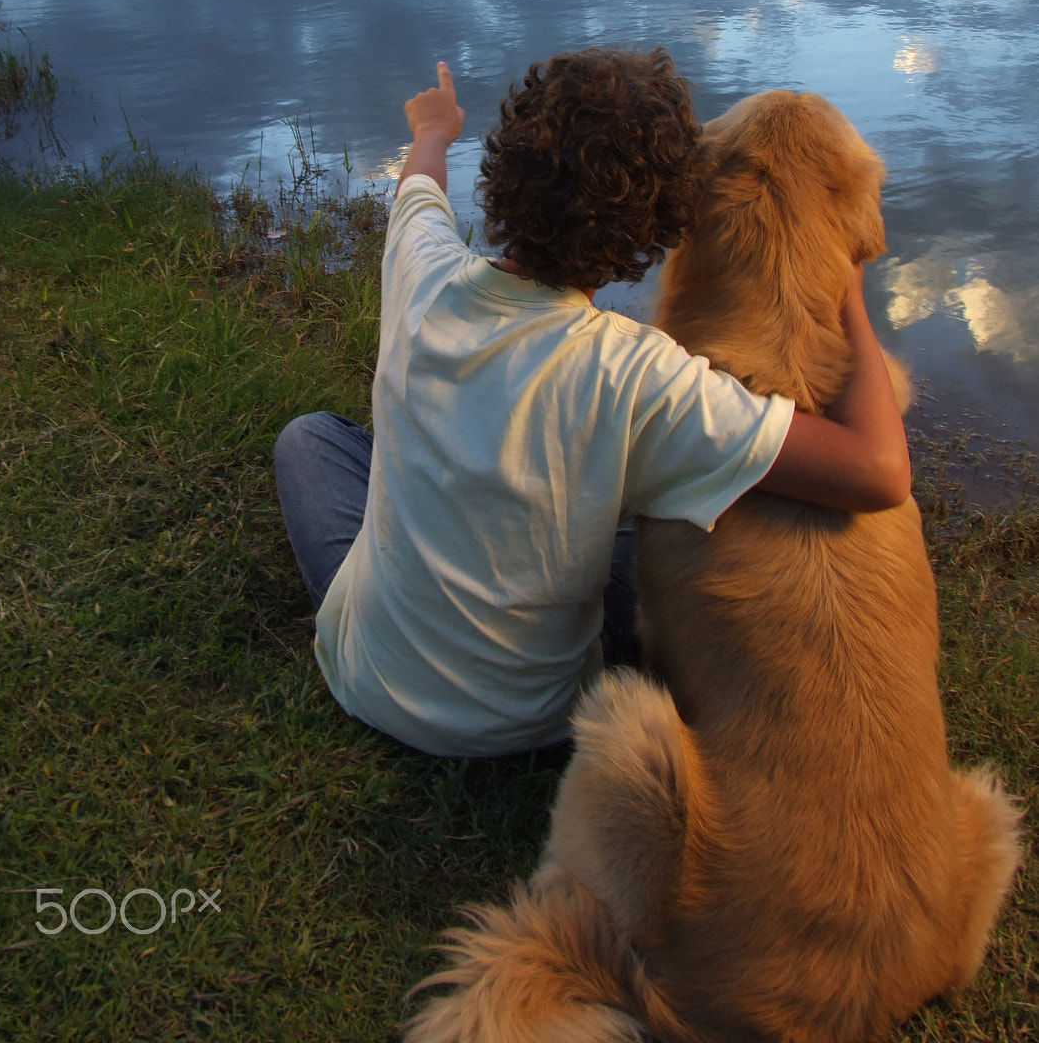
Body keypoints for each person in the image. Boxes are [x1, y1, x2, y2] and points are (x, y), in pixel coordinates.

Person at [275, 49, 909, 758]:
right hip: (537, 722)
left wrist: (432, 131)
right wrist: (846, 278)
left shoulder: (420, 272)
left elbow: (418, 195)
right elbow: (878, 471)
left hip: (371, 682)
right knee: (677, 518)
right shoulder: (641, 376)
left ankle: (416, 580)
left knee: (308, 441)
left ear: (504, 174)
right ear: (657, 230)